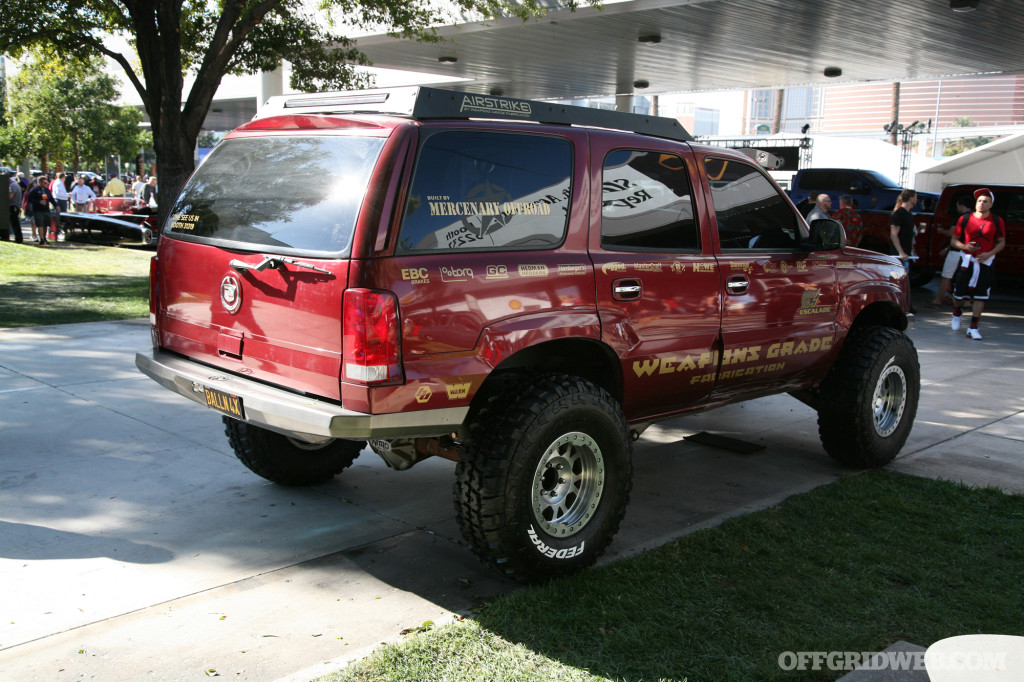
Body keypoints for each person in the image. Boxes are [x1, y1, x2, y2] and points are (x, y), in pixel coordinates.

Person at [949, 188, 1006, 340]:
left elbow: (1001, 242)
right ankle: (957, 311)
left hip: (985, 262)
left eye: (985, 201)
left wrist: (989, 253)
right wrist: (965, 247)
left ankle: (973, 327)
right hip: (966, 261)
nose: (981, 204)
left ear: (991, 204)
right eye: (979, 201)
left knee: (981, 296)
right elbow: (954, 240)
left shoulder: (996, 220)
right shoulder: (965, 219)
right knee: (959, 294)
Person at [930, 197, 971, 306]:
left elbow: (953, 234)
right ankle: (965, 301)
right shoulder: (975, 218)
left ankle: (938, 299)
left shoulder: (961, 217)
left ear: (962, 205)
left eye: (958, 206)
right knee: (964, 277)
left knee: (947, 275)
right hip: (968, 252)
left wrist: (942, 231)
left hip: (957, 251)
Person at [26, 175, 58, 245]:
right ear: (40, 182)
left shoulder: (47, 190)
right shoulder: (34, 190)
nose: (46, 184)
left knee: (46, 225)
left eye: (47, 183)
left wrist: (56, 205)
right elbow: (30, 199)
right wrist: (39, 201)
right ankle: (42, 239)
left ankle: (45, 237)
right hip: (38, 210)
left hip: (46, 210)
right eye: (44, 183)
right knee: (41, 224)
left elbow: (51, 198)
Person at [7, 172, 23, 243]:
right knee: (15, 223)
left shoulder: (12, 186)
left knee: (15, 223)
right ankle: (18, 238)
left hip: (13, 206)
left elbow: (10, 197)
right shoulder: (14, 184)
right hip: (16, 206)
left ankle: (18, 238)